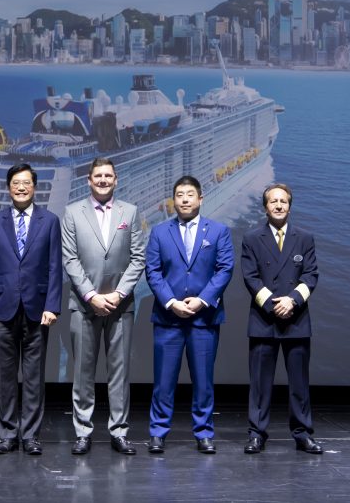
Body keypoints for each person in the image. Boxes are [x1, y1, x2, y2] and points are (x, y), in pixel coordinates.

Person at [62, 158, 146, 456]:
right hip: (84, 306)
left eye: (108, 175)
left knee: (119, 372)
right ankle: (83, 432)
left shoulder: (130, 212)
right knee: (83, 372)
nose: (102, 180)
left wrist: (118, 294)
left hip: (121, 306)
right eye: (97, 175)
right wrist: (91, 296)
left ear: (116, 179)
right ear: (88, 179)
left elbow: (138, 258)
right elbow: (70, 259)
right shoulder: (72, 212)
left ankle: (119, 432)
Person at [144, 175, 234, 455]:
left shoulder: (219, 231)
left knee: (204, 381)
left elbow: (224, 269)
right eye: (179, 195)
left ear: (200, 199)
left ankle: (204, 432)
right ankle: (158, 432)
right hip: (168, 318)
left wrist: (202, 301)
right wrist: (171, 302)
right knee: (163, 381)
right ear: (174, 200)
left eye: (190, 194)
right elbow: (153, 271)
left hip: (204, 319)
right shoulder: (159, 232)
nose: (184, 199)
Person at [0, 163, 62, 456]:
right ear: (8, 187)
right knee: (4, 377)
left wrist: (53, 305)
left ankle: (31, 435)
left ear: (35, 187)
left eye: (26, 182)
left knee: (34, 377)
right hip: (1, 309)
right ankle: (7, 434)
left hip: (38, 310)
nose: (21, 187)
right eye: (16, 182)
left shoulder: (49, 221)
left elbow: (54, 267)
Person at [242, 183, 322, 455]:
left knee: (299, 383)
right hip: (264, 320)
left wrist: (292, 301)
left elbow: (311, 275)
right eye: (273, 201)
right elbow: (250, 277)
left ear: (290, 205)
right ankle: (256, 433)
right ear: (265, 207)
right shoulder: (252, 238)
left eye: (283, 201)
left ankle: (302, 433)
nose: (278, 205)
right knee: (260, 385)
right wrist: (273, 304)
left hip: (296, 319)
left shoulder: (305, 238)